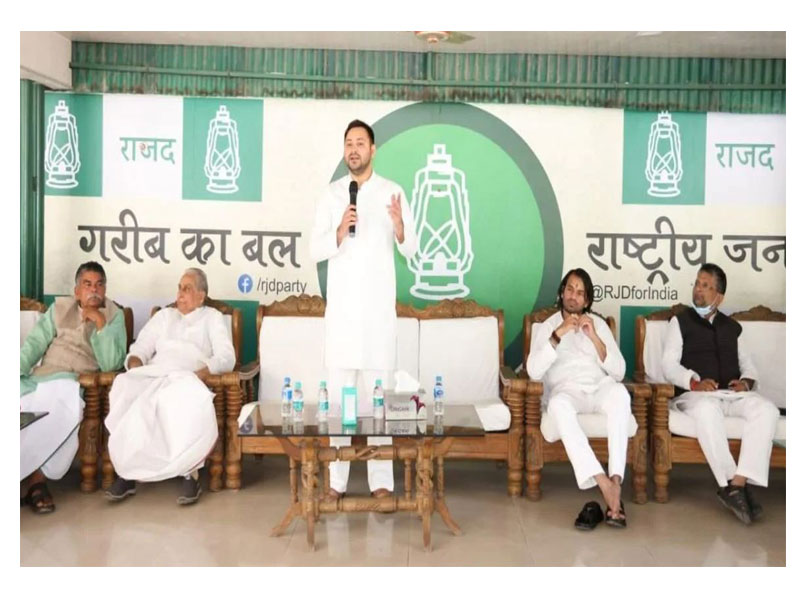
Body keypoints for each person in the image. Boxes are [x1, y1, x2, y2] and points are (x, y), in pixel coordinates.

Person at [310, 119, 417, 501]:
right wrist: (339, 231)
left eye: (360, 143)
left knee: (378, 402)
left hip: (377, 320)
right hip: (343, 319)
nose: (353, 150)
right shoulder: (332, 195)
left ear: (373, 150)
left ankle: (381, 481)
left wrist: (400, 227)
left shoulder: (392, 192)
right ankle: (336, 482)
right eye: (348, 144)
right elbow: (314, 249)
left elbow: (411, 249)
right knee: (340, 405)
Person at [104, 268, 235, 505]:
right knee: (124, 387)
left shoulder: (212, 317)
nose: (180, 293)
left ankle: (189, 474)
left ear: (201, 296)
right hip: (155, 374)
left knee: (182, 397)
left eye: (187, 289)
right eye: (179, 288)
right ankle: (129, 472)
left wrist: (202, 373)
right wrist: (135, 365)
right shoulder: (164, 316)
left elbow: (226, 357)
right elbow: (140, 348)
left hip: (188, 377)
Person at [661, 263, 779, 524]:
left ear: (719, 297)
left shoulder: (732, 327)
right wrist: (694, 382)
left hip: (732, 396)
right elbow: (669, 365)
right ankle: (730, 483)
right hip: (696, 396)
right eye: (697, 283)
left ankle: (738, 483)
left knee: (767, 410)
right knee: (707, 410)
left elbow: (749, 366)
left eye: (706, 286)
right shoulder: (680, 322)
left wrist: (746, 383)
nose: (698, 290)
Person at [526, 268, 630, 529]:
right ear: (562, 293)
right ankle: (604, 483)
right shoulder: (548, 326)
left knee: (620, 393)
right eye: (570, 289)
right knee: (558, 405)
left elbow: (619, 372)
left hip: (600, 389)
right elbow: (533, 371)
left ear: (587, 300)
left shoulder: (599, 325)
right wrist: (558, 334)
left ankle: (615, 480)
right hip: (567, 392)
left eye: (580, 293)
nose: (573, 296)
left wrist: (593, 336)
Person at [20, 261, 127, 513]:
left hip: (74, 381)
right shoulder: (59, 309)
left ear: (105, 289)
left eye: (99, 285)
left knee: (57, 409)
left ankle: (36, 481)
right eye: (87, 285)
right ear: (77, 290)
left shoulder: (114, 315)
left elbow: (112, 363)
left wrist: (100, 325)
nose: (94, 290)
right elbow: (34, 344)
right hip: (41, 377)